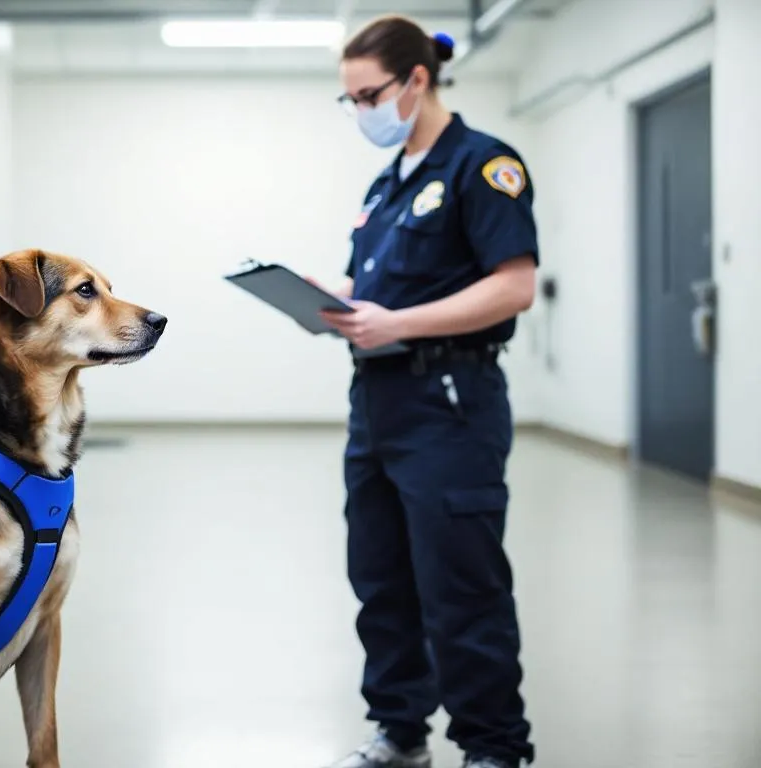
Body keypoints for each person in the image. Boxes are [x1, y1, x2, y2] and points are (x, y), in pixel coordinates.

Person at [315, 14, 538, 768]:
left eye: (368, 96)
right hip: (377, 404)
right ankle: (400, 729)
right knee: (381, 578)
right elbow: (374, 288)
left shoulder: (483, 165)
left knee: (461, 585)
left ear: (416, 80)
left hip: (450, 402)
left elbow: (514, 286)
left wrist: (397, 321)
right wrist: (331, 298)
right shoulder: (388, 183)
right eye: (349, 101)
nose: (360, 112)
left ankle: (494, 746)